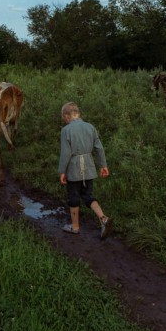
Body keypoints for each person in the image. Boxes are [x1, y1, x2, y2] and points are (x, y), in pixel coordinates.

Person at [58, 102, 113, 239]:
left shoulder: (66, 130)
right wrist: (103, 165)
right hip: (88, 166)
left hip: (74, 168)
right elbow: (99, 148)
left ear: (67, 116)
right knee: (87, 196)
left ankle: (75, 227)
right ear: (79, 114)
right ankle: (103, 218)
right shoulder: (90, 127)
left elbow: (66, 153)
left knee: (73, 197)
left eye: (64, 118)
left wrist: (62, 171)